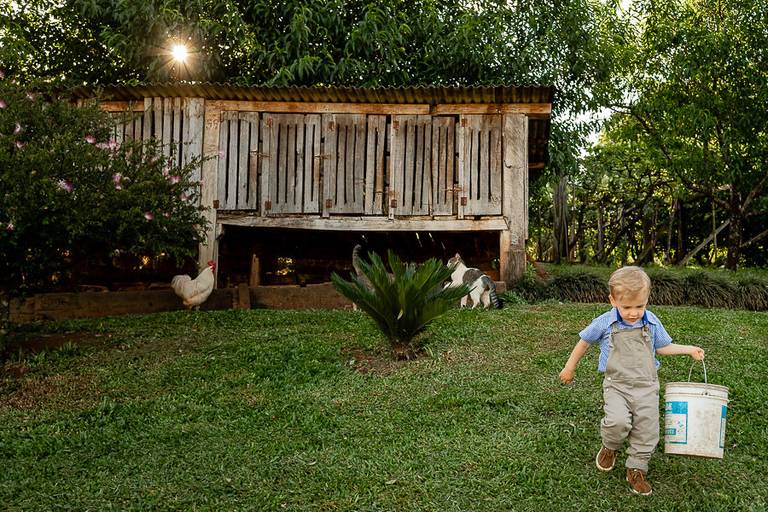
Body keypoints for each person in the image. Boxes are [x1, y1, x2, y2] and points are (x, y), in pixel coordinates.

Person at [559, 266, 705, 496]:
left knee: (647, 430)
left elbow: (662, 347)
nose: (634, 313)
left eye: (640, 306)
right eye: (626, 307)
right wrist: (570, 367)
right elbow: (584, 342)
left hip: (647, 386)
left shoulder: (651, 322)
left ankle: (636, 468)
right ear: (613, 300)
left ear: (647, 300)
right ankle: (610, 447)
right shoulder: (605, 322)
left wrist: (688, 349)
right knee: (617, 422)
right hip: (617, 385)